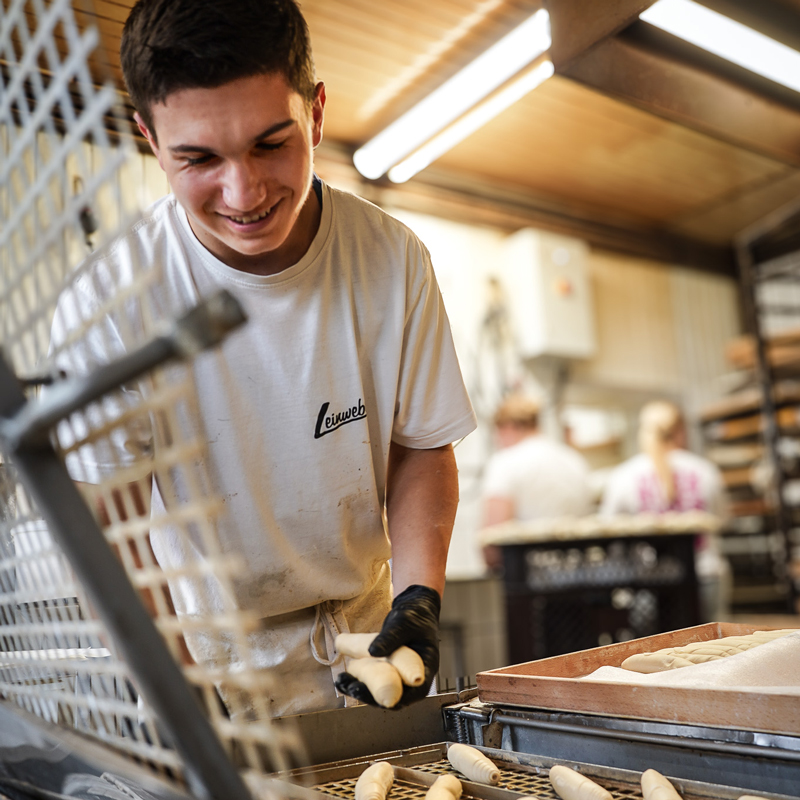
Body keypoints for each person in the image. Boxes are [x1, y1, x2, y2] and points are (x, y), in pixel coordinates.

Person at [50, 0, 476, 717]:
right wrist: (184, 696)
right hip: (212, 658)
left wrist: (419, 600)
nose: (244, 193)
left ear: (314, 115)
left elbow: (421, 450)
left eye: (270, 144)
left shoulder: (390, 261)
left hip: (369, 635)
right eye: (199, 159)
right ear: (150, 140)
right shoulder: (112, 303)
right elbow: (107, 531)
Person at [600, 400, 731, 619]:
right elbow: (723, 520)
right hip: (704, 576)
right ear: (681, 432)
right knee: (711, 649)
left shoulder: (624, 476)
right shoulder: (705, 471)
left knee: (656, 652)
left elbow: (608, 530)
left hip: (648, 585)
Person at [480, 395, 592, 572]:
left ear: (506, 427)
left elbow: (492, 537)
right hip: (580, 573)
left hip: (531, 577)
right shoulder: (574, 460)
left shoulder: (505, 462)